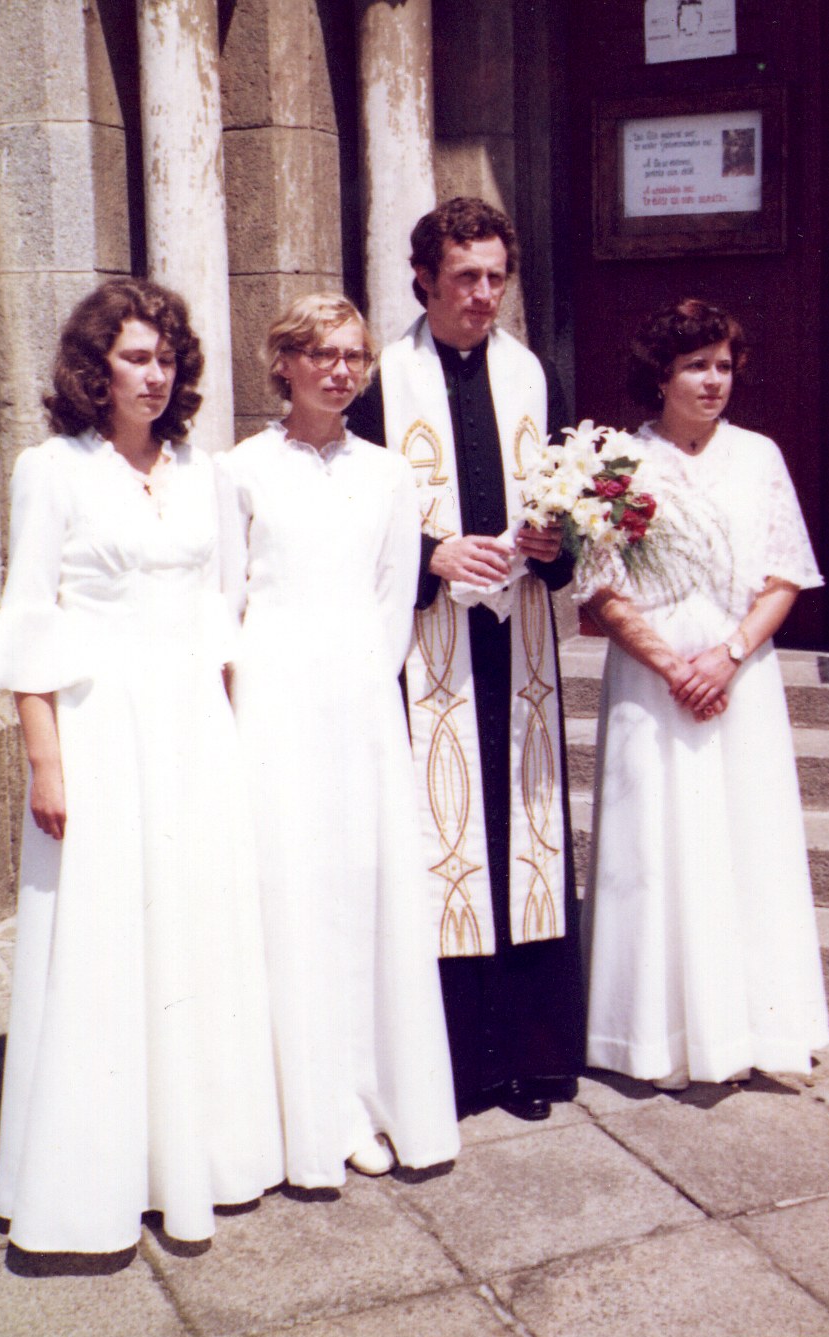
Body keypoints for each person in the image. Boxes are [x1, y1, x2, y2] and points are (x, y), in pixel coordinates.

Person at [0, 279, 283, 1253]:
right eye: (135, 358)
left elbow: (216, 612)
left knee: (193, 934)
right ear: (94, 367)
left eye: (166, 358)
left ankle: (192, 1156)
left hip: (192, 725)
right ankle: (94, 1175)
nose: (154, 375)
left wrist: (229, 732)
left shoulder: (201, 472)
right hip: (100, 726)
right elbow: (31, 617)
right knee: (106, 940)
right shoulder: (53, 470)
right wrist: (45, 761)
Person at [348, 197, 585, 1121]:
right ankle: (452, 1066)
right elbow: (356, 521)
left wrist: (554, 542)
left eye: (496, 277)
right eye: (465, 277)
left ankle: (530, 1060)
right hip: (428, 652)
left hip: (516, 645)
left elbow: (569, 509)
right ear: (423, 279)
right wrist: (432, 554)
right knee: (441, 835)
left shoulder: (534, 374)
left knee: (522, 832)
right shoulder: (381, 383)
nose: (484, 294)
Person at [215, 293, 460, 1187]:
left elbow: (394, 597)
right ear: (283, 363)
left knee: (363, 891)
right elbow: (225, 600)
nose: (341, 370)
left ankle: (364, 1096)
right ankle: (299, 1114)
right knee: (287, 892)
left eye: (355, 355)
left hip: (359, 703)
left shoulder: (388, 474)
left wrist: (360, 685)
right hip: (272, 701)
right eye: (321, 353)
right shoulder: (239, 470)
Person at [575, 298, 829, 1090]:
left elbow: (785, 575)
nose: (714, 380)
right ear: (661, 375)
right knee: (656, 850)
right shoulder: (619, 463)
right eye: (695, 366)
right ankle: (652, 1038)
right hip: (650, 688)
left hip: (738, 682)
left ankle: (758, 1025)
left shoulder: (759, 456)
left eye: (723, 365)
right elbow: (600, 590)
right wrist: (672, 666)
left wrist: (726, 656)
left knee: (746, 843)